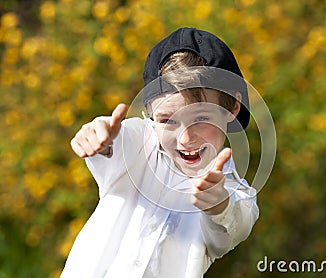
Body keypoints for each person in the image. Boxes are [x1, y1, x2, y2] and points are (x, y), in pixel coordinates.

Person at [61, 27, 259, 278]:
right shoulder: (139, 144)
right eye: (167, 120)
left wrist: (218, 205)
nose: (186, 138)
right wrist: (97, 136)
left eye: (200, 117)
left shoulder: (237, 194)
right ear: (151, 114)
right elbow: (118, 139)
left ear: (231, 108)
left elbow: (233, 223)